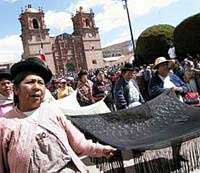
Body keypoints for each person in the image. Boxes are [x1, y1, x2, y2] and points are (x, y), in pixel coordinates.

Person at [0, 57, 116, 173]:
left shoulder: (53, 112)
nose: (37, 87)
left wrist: (102, 149)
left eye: (41, 83)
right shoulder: (5, 125)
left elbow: (79, 143)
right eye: (30, 82)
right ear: (16, 89)